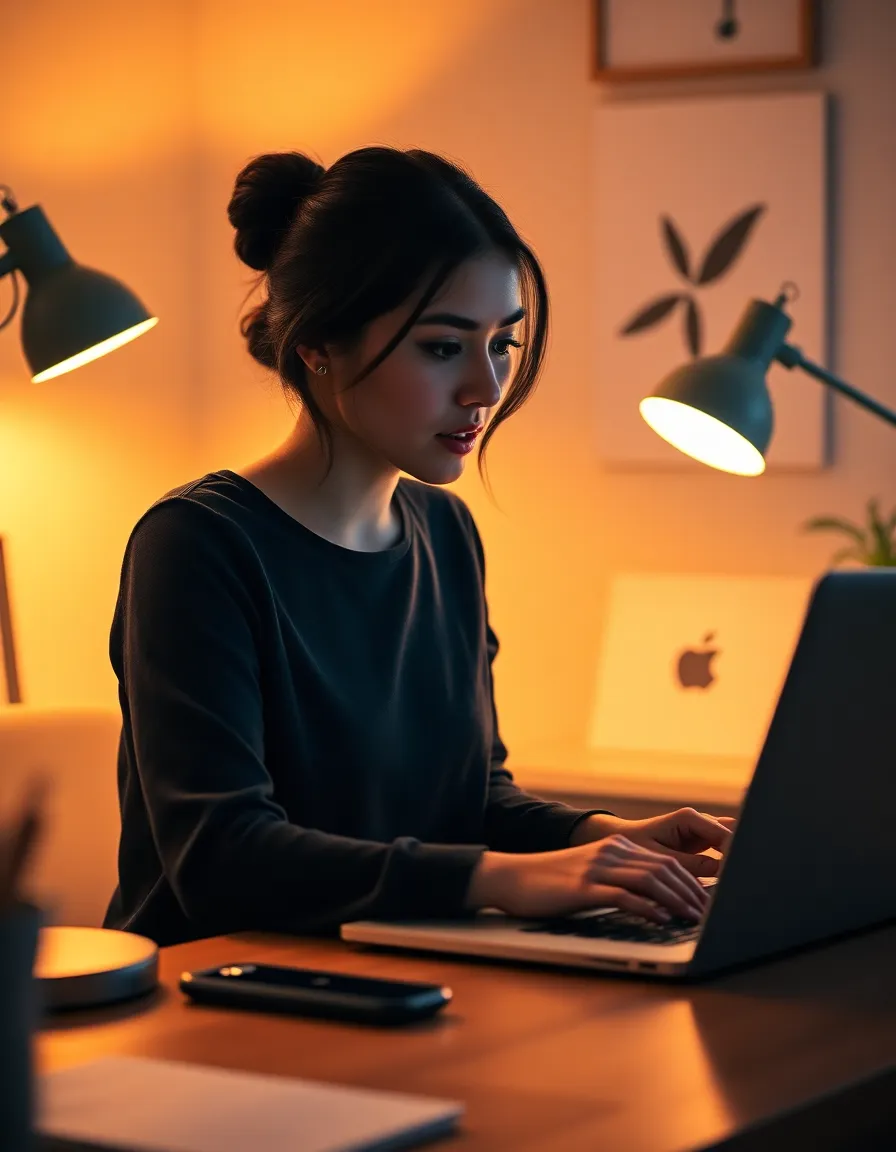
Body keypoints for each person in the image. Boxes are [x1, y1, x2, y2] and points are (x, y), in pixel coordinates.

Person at [104, 147, 733, 948]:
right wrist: (504, 879)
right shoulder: (198, 545)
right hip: (214, 999)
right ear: (316, 345)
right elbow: (222, 859)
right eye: (443, 347)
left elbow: (467, 802)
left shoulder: (445, 533)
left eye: (502, 342)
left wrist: (600, 838)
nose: (486, 388)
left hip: (396, 974)